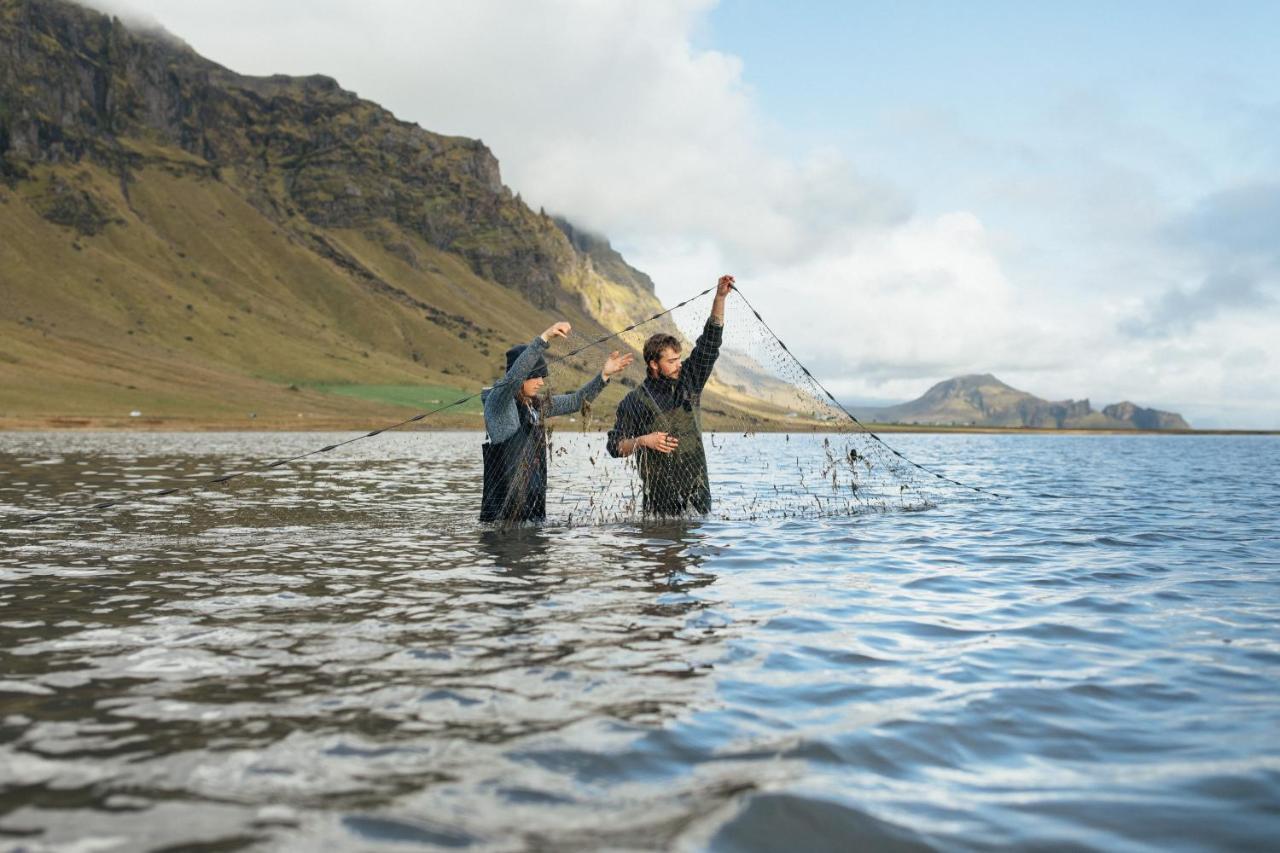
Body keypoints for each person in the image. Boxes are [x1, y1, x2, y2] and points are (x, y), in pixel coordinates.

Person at [607, 275, 734, 516]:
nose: (678, 365)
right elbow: (615, 447)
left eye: (679, 358)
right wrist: (643, 441)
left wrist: (719, 298)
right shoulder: (634, 401)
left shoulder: (690, 380)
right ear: (654, 364)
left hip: (698, 499)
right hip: (658, 504)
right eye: (672, 361)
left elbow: (710, 343)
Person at [481, 321, 633, 523]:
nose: (541, 382)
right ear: (522, 378)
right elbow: (514, 377)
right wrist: (544, 338)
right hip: (501, 522)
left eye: (542, 376)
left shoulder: (536, 405)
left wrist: (604, 375)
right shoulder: (498, 404)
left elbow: (576, 401)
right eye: (535, 376)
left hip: (534, 516)